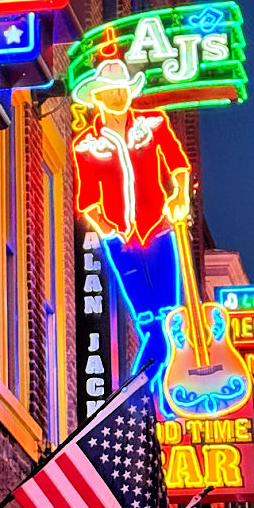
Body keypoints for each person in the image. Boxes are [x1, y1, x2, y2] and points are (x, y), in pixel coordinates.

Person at [71, 40, 193, 366]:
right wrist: (110, 232)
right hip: (121, 242)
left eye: (122, 90)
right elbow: (87, 200)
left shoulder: (152, 124)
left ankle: (148, 395)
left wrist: (179, 196)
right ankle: (155, 396)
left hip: (160, 230)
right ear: (98, 98)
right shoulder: (87, 144)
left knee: (168, 320)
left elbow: (178, 164)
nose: (118, 97)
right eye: (110, 92)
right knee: (148, 322)